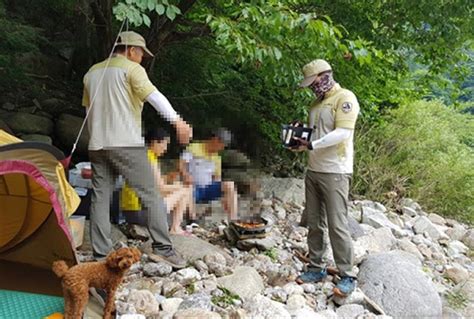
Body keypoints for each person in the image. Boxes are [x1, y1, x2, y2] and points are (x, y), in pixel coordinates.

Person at [82, 31, 192, 268]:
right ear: (131, 50)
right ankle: (163, 248)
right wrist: (178, 122)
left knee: (100, 198)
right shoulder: (131, 69)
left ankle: (101, 256)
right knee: (151, 194)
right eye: (141, 53)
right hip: (126, 144)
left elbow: (87, 112)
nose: (142, 58)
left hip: (98, 144)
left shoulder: (92, 72)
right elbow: (154, 97)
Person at [292, 59, 359, 297]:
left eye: (315, 82)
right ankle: (316, 267)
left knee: (337, 224)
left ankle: (347, 274)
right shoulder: (315, 104)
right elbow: (314, 135)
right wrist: (299, 136)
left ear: (325, 75)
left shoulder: (345, 98)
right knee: (314, 221)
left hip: (336, 171)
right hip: (314, 169)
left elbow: (342, 133)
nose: (313, 87)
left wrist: (312, 144)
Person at [121, 128, 196, 235]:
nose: (165, 149)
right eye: (165, 144)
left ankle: (176, 226)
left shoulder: (141, 156)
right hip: (140, 213)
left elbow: (151, 183)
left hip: (130, 212)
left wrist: (169, 179)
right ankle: (176, 228)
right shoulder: (150, 158)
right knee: (184, 191)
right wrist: (181, 187)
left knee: (179, 187)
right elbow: (161, 189)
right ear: (155, 142)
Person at [178, 128, 238, 220]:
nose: (222, 148)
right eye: (222, 145)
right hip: (193, 189)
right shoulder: (194, 148)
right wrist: (186, 175)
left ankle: (233, 220)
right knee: (188, 186)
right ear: (215, 140)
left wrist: (224, 197)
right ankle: (192, 219)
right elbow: (181, 164)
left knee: (229, 184)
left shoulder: (217, 158)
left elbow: (217, 178)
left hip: (208, 189)